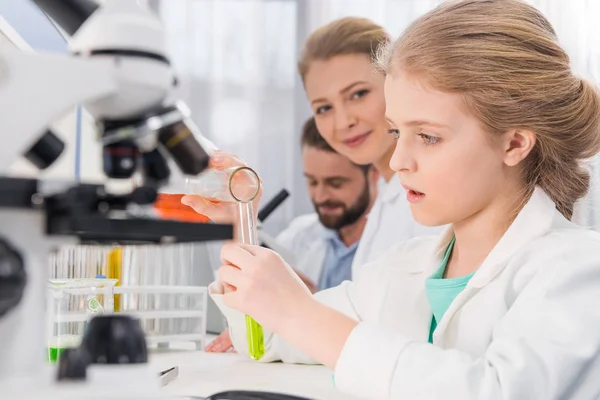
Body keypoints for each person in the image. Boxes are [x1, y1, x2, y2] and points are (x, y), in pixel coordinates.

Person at [210, 0, 600, 398]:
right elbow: (270, 337)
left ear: (514, 143)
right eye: (396, 132)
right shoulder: (400, 270)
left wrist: (301, 312)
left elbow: (496, 391)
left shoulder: (576, 270)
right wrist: (238, 219)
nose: (398, 161)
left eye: (428, 136)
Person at [205, 116, 378, 353]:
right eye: (312, 182)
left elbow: (383, 336)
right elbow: (253, 315)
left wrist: (307, 305)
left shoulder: (395, 240)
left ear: (375, 175)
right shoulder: (301, 234)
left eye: (336, 183)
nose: (321, 195)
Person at [297, 16, 442, 281]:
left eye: (358, 94)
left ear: (397, 82)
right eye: (324, 108)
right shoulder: (388, 196)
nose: (343, 122)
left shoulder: (434, 192)